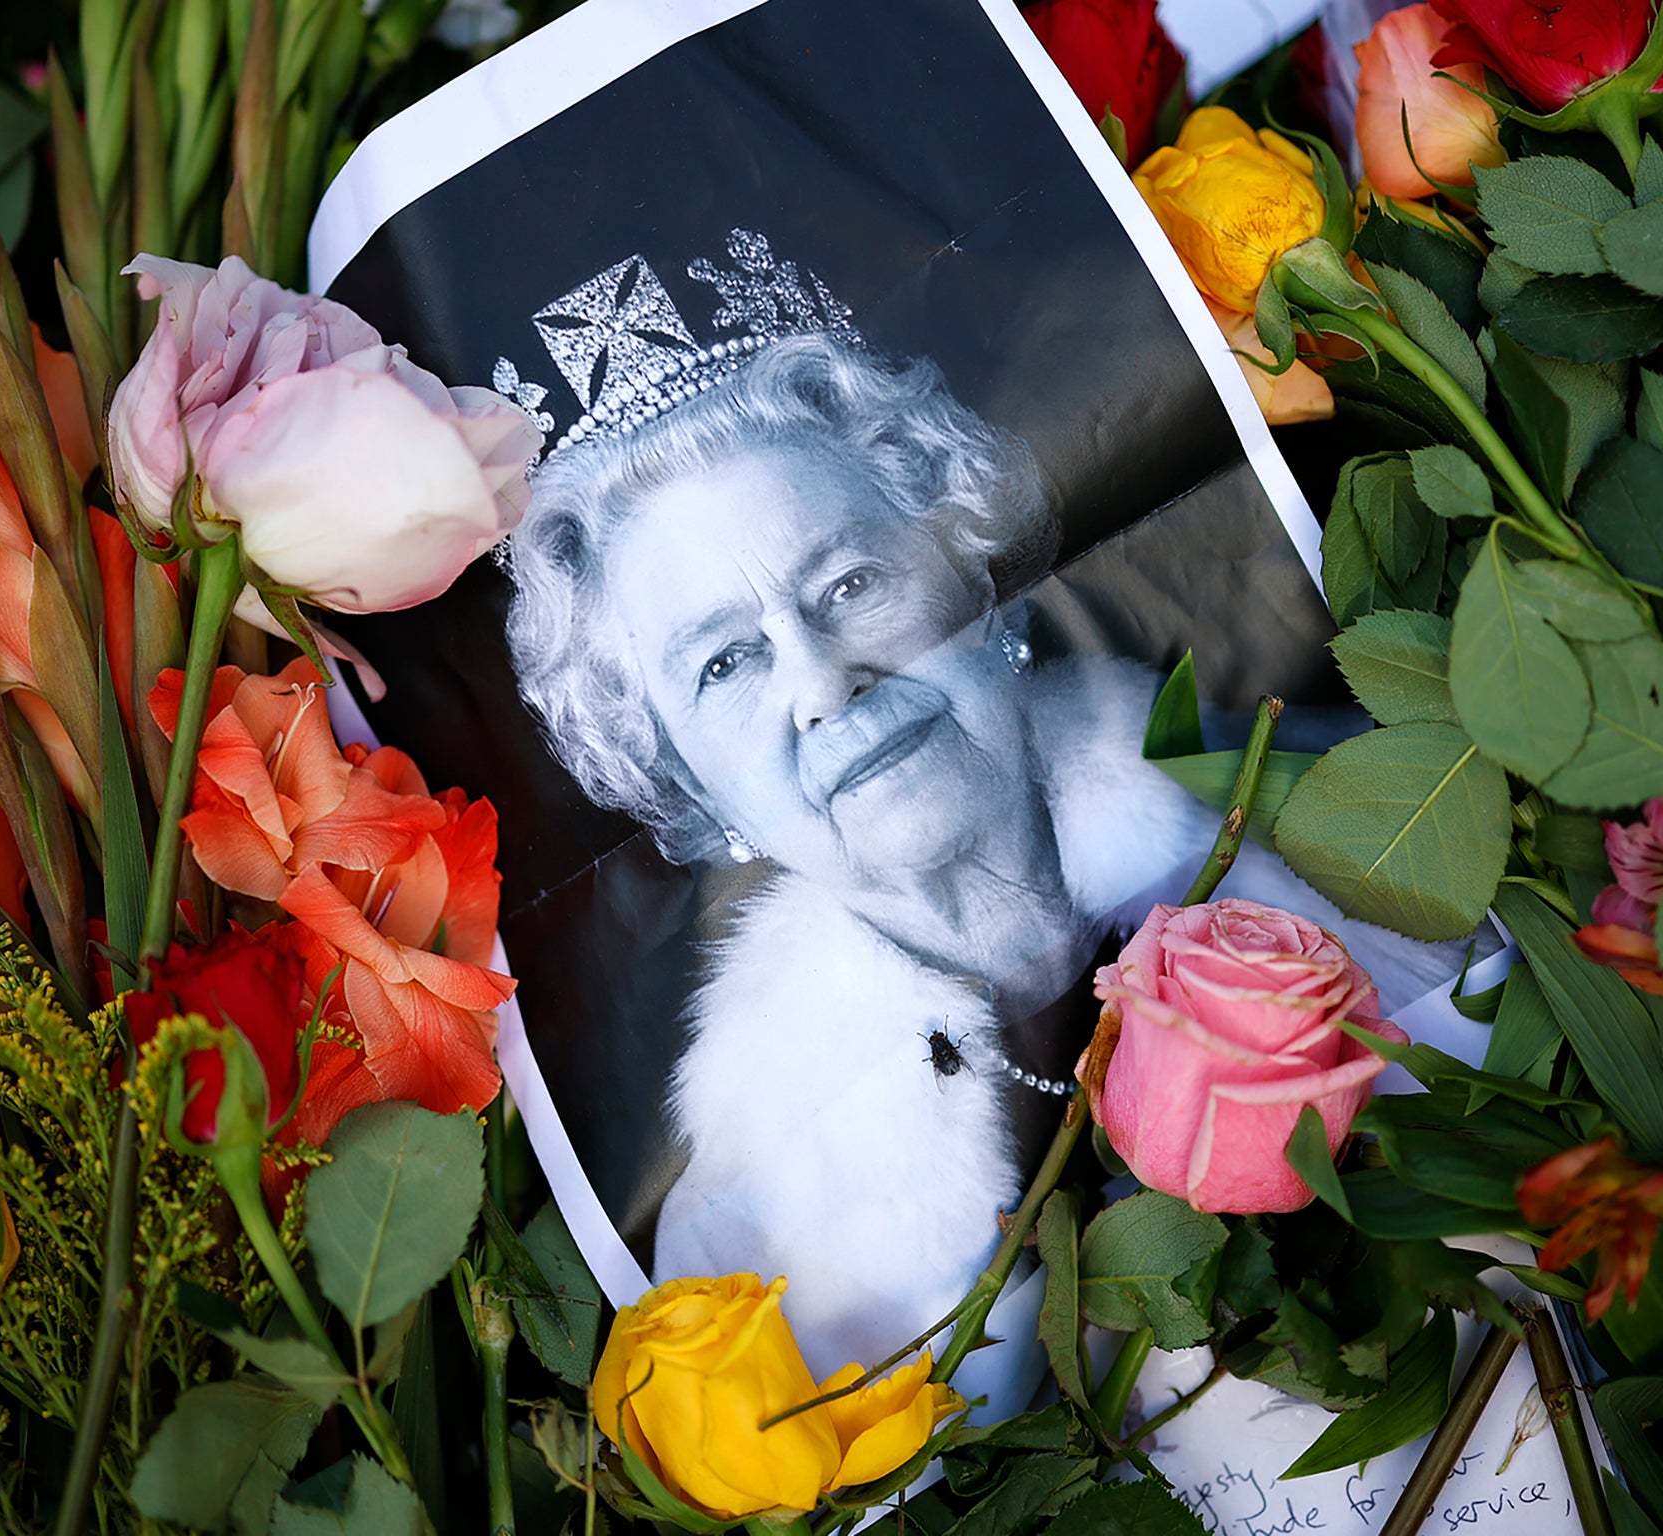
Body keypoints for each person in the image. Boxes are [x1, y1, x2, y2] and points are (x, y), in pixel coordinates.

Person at [506, 315, 1464, 1378]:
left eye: (850, 586)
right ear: (687, 783)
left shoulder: (1368, 824)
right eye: (727, 663)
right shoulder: (738, 1255)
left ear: (974, 587)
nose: (822, 686)